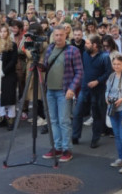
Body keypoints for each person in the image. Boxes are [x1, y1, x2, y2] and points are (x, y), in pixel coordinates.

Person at [41, 25, 83, 162]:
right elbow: (46, 67)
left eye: (61, 35)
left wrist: (72, 88)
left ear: (66, 35)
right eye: (56, 35)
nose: (58, 37)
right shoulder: (50, 49)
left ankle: (66, 149)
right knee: (53, 121)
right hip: (50, 90)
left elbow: (79, 72)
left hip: (64, 90)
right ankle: (57, 147)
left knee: (64, 121)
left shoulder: (73, 50)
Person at [72, 34, 112, 148]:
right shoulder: (85, 54)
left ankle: (95, 139)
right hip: (84, 89)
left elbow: (108, 72)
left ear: (95, 45)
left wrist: (97, 81)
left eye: (88, 43)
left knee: (97, 115)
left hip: (98, 91)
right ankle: (75, 136)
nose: (85, 45)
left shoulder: (104, 57)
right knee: (77, 113)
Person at [105, 54, 122, 174]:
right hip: (112, 108)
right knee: (116, 135)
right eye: (114, 64)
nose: (116, 66)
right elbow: (107, 90)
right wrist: (107, 98)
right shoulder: (111, 76)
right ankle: (121, 158)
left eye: (118, 64)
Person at [0, 25, 19, 130]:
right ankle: (2, 117)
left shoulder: (12, 45)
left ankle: (11, 119)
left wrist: (3, 71)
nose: (3, 33)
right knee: (0, 97)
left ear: (8, 33)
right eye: (1, 32)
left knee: (9, 97)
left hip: (9, 74)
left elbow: (13, 61)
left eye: (5, 32)